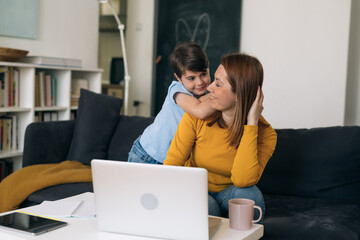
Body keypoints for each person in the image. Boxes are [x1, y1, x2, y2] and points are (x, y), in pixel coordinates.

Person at [164, 53, 277, 222]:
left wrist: (251, 123)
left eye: (218, 83)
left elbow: (242, 180)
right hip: (196, 190)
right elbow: (172, 164)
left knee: (250, 195)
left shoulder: (266, 134)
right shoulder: (196, 116)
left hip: (229, 194)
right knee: (207, 207)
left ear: (239, 93)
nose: (209, 87)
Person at [128, 42, 215, 164]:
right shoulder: (177, 90)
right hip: (147, 155)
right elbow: (199, 110)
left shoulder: (205, 97)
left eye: (203, 74)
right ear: (179, 78)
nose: (200, 82)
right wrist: (226, 92)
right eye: (191, 78)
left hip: (172, 160)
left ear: (208, 67)